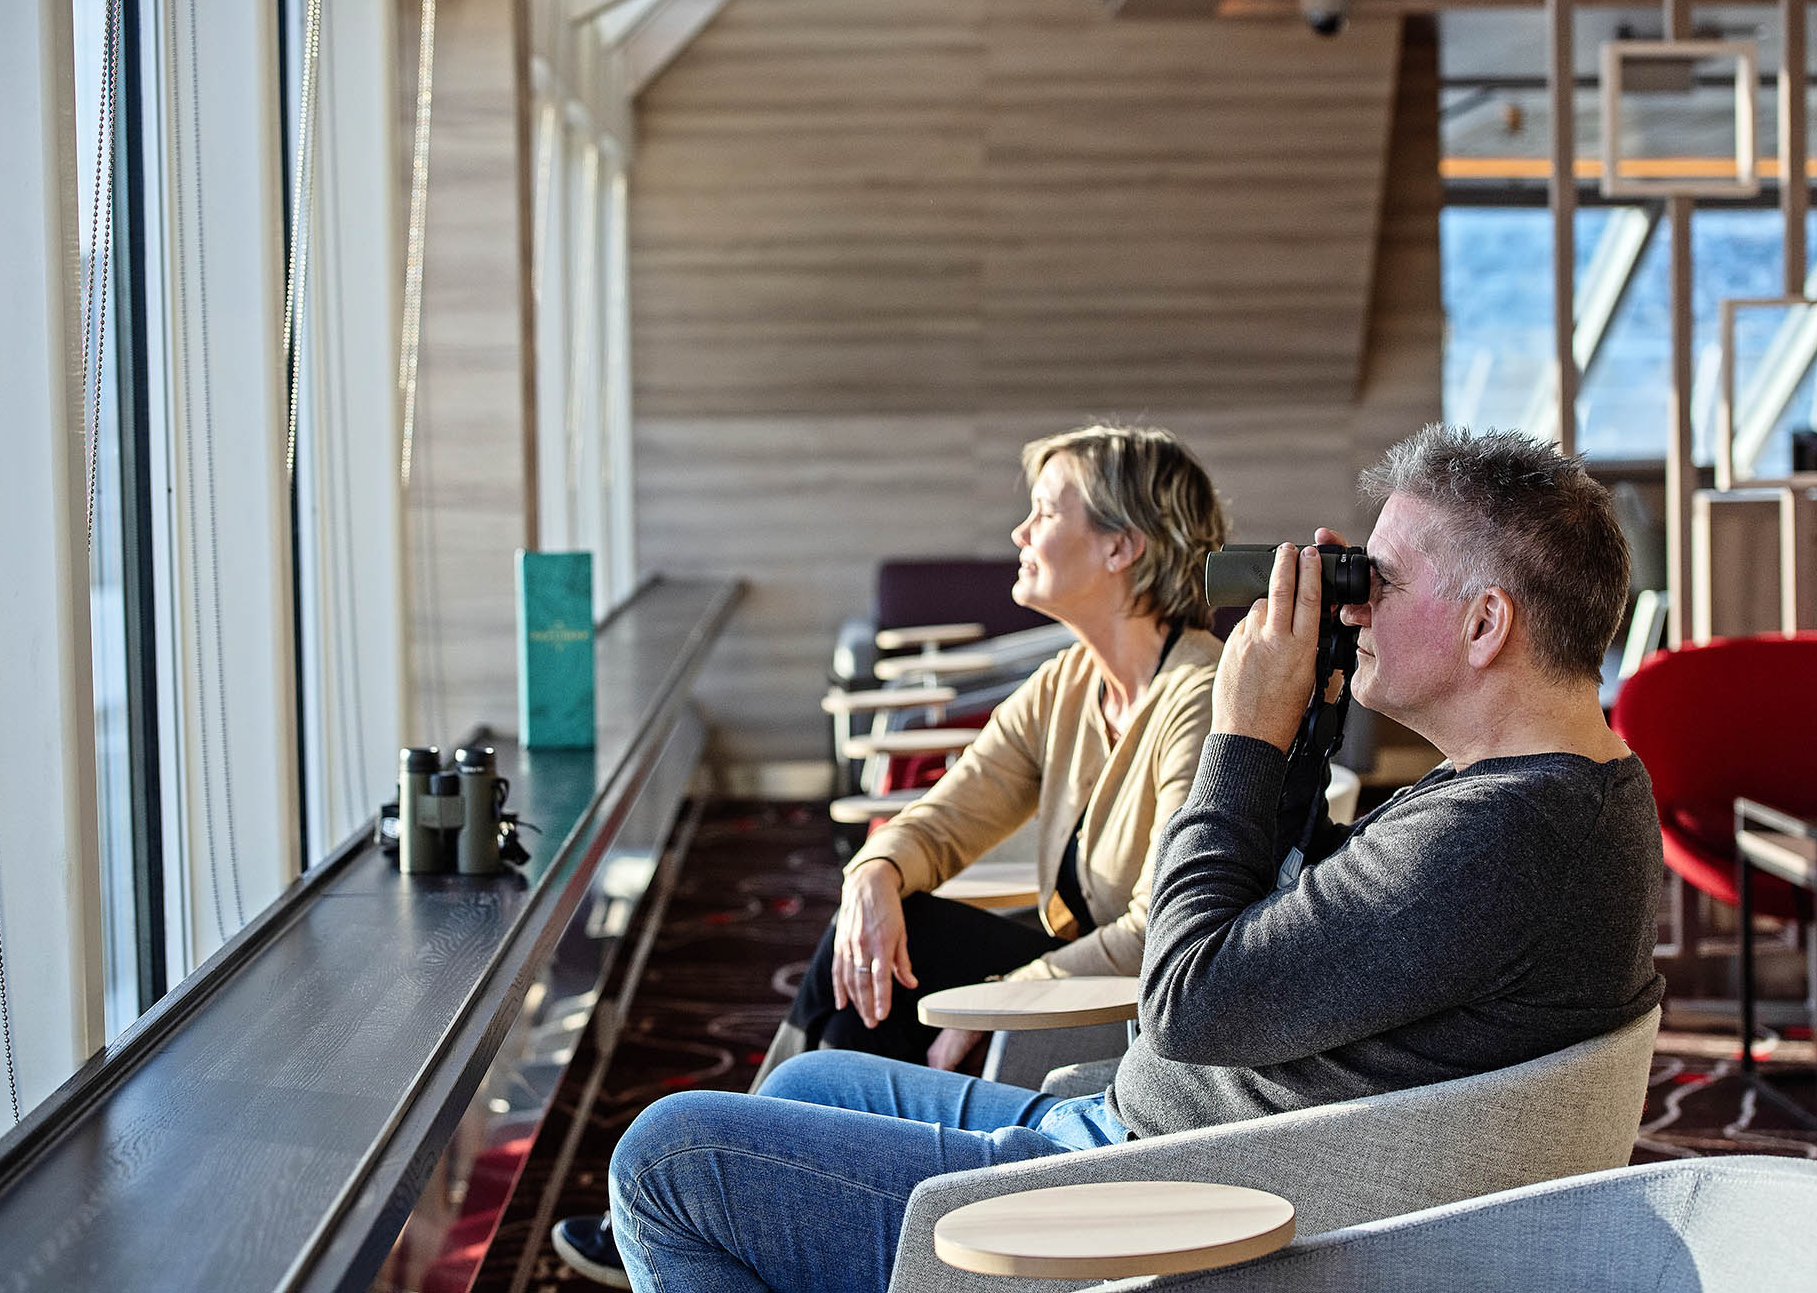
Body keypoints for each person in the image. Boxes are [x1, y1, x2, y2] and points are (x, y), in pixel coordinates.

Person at [595, 426, 1665, 1293]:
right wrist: (1299, 734)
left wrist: (1243, 736)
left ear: (1485, 624)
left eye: (1376, 582)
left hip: (1143, 1188)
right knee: (813, 1076)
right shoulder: (1554, 795)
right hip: (1143, 1126)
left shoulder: (1501, 837)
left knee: (665, 1158)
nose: (1348, 605)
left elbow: (1188, 998)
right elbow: (1303, 913)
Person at [552, 422, 1228, 1286]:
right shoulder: (1073, 681)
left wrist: (999, 998)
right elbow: (944, 817)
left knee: (892, 967)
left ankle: (752, 1196)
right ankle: (765, 1188)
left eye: (1044, 511)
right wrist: (872, 874)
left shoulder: (1197, 695)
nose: (1020, 534)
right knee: (885, 927)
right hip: (1075, 958)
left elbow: (1165, 931)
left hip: (1131, 997)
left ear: (1121, 547)